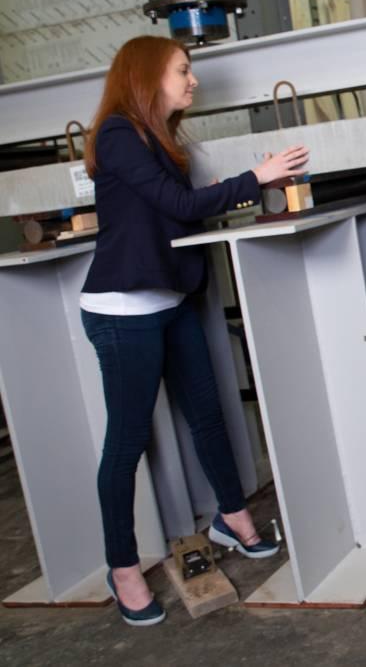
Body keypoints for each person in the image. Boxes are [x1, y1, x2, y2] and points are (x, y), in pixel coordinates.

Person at [80, 36, 309, 626]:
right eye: (183, 70)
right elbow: (179, 206)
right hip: (122, 311)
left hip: (172, 300)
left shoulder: (160, 138)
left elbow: (182, 208)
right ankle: (123, 566)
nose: (193, 81)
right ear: (148, 74)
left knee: (208, 413)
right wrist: (257, 176)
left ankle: (231, 517)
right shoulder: (117, 135)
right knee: (126, 444)